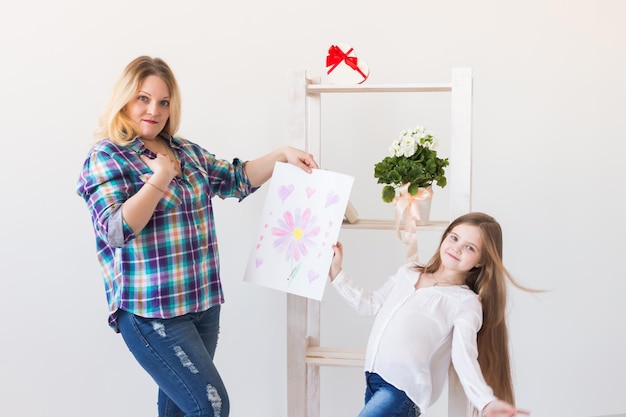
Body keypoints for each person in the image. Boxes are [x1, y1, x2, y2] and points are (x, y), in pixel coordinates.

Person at [76, 55, 318, 417]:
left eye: (163, 102)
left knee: (180, 410)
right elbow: (115, 229)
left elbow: (237, 179)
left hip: (202, 305)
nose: (153, 110)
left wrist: (282, 154)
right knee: (211, 406)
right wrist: (159, 179)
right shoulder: (108, 156)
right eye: (143, 98)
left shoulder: (185, 151)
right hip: (152, 312)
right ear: (124, 99)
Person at [328, 212, 531, 417]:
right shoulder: (408, 273)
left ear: (480, 261)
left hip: (402, 390)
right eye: (454, 238)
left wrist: (486, 401)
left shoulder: (465, 303)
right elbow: (368, 305)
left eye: (470, 248)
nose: (457, 248)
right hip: (373, 378)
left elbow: (464, 357)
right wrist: (337, 273)